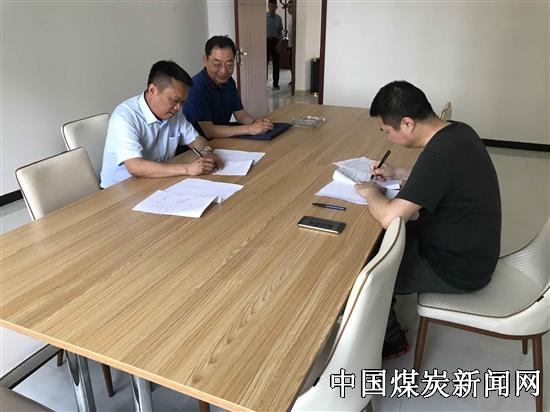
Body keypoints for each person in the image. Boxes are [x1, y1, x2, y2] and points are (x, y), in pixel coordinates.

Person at [356, 81, 501, 357]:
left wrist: (371, 192)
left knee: (361, 269)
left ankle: (391, 340)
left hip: (457, 269)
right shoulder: (457, 132)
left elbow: (390, 216)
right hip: (471, 250)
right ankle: (383, 315)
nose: (388, 138)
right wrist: (397, 172)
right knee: (376, 244)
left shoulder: (440, 153)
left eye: (387, 131)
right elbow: (439, 176)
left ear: (407, 123)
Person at [100, 60, 223, 188]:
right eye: (174, 100)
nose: (178, 108)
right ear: (153, 90)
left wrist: (206, 152)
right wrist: (187, 169)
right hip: (120, 190)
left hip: (157, 181)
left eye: (182, 102)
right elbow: (135, 166)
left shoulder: (174, 113)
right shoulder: (125, 116)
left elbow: (196, 140)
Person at [182, 36, 273, 139]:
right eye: (217, 64)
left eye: (229, 65)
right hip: (199, 144)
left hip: (221, 139)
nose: (224, 71)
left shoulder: (229, 82)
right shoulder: (195, 87)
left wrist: (257, 123)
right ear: (205, 60)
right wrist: (250, 129)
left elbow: (241, 115)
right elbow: (209, 131)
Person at [266, 0, 283, 90]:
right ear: (268, 6)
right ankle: (262, 82)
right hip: (265, 41)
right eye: (270, 6)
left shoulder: (279, 18)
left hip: (275, 41)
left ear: (276, 7)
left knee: (276, 64)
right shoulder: (264, 17)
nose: (271, 8)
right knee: (264, 63)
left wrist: (280, 43)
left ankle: (275, 84)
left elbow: (280, 32)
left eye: (273, 6)